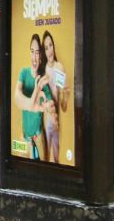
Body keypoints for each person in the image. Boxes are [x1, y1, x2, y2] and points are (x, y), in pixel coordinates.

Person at [15, 33, 48, 160]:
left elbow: (49, 104)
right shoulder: (23, 73)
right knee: (19, 167)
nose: (34, 57)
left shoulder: (43, 80)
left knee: (44, 170)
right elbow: (18, 98)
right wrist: (37, 90)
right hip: (23, 138)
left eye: (37, 52)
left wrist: (47, 105)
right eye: (32, 51)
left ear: (40, 57)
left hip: (38, 138)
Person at [40, 30, 69, 163]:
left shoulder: (59, 68)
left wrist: (66, 95)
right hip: (45, 118)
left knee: (57, 158)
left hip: (56, 120)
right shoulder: (42, 71)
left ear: (54, 46)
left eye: (50, 45)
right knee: (45, 155)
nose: (49, 50)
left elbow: (63, 106)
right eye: (46, 48)